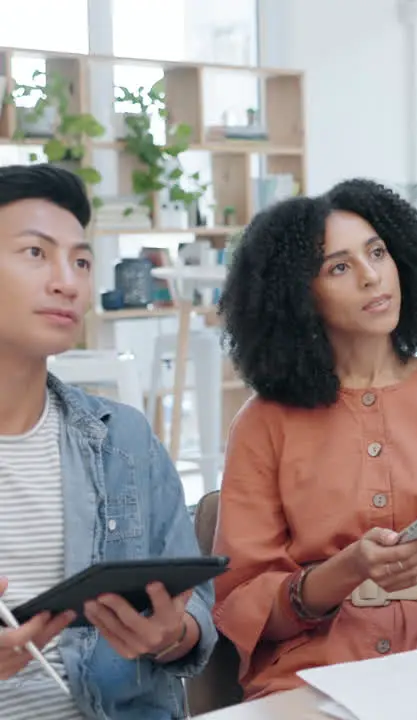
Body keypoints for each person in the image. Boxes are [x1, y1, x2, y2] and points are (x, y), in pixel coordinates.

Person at [213, 179, 417, 699]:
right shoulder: (262, 422)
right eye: (339, 267)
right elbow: (239, 605)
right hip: (311, 678)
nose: (371, 276)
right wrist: (344, 572)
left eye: (378, 253)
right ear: (298, 297)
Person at [0, 163, 215, 719]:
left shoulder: (123, 439)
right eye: (34, 253)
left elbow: (197, 613)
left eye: (81, 261)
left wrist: (173, 635)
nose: (66, 281)